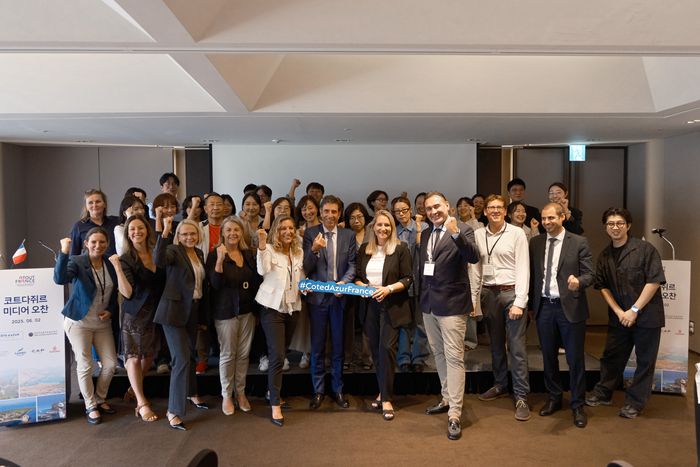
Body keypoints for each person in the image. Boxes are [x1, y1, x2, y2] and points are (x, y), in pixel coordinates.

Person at [585, 208, 666, 419]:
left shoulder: (645, 250)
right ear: (605, 227)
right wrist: (619, 311)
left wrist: (634, 310)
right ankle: (603, 393)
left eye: (619, 223)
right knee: (611, 357)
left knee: (645, 361)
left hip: (647, 316)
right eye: (610, 224)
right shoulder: (604, 256)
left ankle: (635, 402)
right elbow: (603, 286)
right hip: (619, 317)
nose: (615, 227)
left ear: (628, 226)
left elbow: (654, 281)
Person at [418, 192, 479, 441]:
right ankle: (446, 398)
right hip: (429, 305)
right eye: (429, 208)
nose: (433, 211)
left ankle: (455, 413)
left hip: (453, 305)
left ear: (447, 206)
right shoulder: (425, 233)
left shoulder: (463, 229)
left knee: (454, 358)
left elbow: (474, 256)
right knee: (439, 354)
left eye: (437, 206)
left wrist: (455, 234)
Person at [529, 203, 593, 428]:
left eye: (551, 218)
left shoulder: (579, 242)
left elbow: (590, 274)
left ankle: (578, 404)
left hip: (571, 308)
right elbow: (533, 276)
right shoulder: (536, 242)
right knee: (548, 357)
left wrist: (579, 281)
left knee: (575, 359)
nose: (547, 222)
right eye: (544, 219)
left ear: (562, 217)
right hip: (544, 307)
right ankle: (554, 398)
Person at [472, 195, 531, 421]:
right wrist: (475, 299)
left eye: (499, 207)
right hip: (488, 294)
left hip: (511, 293)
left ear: (505, 211)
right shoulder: (479, 234)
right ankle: (500, 384)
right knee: (495, 345)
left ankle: (521, 396)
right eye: (491, 208)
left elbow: (523, 268)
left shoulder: (517, 233)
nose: (495, 211)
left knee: (516, 347)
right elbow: (476, 269)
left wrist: (520, 301)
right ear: (485, 212)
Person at [54, 228, 118, 425]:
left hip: (102, 323)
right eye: (94, 242)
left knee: (110, 364)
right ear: (86, 244)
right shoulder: (77, 262)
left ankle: (99, 398)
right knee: (85, 364)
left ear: (107, 244)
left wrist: (111, 310)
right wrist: (64, 252)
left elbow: (116, 291)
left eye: (102, 242)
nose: (98, 246)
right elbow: (60, 279)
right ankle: (90, 405)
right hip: (79, 322)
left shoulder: (110, 263)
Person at [355, 210, 412, 421]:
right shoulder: (365, 249)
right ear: (373, 227)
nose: (383, 228)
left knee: (387, 349)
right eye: (379, 224)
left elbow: (408, 278)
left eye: (387, 225)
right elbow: (358, 277)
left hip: (392, 306)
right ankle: (383, 391)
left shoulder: (401, 248)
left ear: (392, 228)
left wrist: (388, 289)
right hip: (370, 306)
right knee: (376, 352)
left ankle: (386, 399)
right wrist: (363, 286)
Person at [154, 217, 209, 431]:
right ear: (178, 235)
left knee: (191, 355)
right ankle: (173, 410)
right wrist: (165, 232)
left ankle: (191, 393)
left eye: (192, 233)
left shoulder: (200, 253)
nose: (189, 237)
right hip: (173, 312)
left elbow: (200, 286)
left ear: (198, 235)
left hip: (193, 309)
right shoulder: (173, 251)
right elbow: (159, 260)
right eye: (184, 234)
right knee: (182, 359)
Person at [303, 195, 357, 410]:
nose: (330, 215)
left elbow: (352, 265)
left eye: (334, 211)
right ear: (320, 212)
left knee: (338, 347)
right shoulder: (310, 234)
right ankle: (318, 391)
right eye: (326, 211)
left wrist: (343, 283)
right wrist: (314, 249)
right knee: (317, 347)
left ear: (339, 213)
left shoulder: (348, 235)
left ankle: (337, 389)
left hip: (339, 298)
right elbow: (305, 267)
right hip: (317, 299)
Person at [110, 215, 163, 423]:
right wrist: (117, 268)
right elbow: (127, 293)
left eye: (140, 228)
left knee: (149, 355)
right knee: (133, 357)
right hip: (135, 315)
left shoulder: (157, 253)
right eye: (132, 229)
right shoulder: (125, 259)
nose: (136, 232)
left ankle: (133, 388)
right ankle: (141, 403)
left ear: (147, 230)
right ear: (127, 233)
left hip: (156, 312)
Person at [206, 216, 261, 416]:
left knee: (244, 354)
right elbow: (215, 284)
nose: (233, 233)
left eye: (236, 230)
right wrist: (220, 260)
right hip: (225, 312)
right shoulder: (214, 255)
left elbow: (255, 282)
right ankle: (226, 395)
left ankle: (241, 393)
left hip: (247, 311)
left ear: (241, 233)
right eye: (228, 230)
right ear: (222, 233)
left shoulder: (247, 254)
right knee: (228, 354)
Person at [255, 216, 305, 427]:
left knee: (282, 353)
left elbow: (300, 277)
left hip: (292, 308)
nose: (288, 232)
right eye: (283, 228)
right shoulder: (268, 249)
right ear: (276, 230)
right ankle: (275, 403)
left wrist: (306, 287)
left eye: (291, 228)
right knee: (276, 356)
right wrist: (261, 244)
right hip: (272, 308)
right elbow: (262, 270)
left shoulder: (298, 251)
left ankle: (271, 392)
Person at [391, 196, 429, 373]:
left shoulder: (424, 227)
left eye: (404, 210)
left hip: (422, 281)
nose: (401, 214)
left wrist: (419, 231)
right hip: (401, 283)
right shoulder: (393, 232)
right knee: (404, 322)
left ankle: (419, 357)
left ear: (410, 210)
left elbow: (427, 252)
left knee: (421, 322)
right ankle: (404, 358)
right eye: (397, 211)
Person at [343, 202, 373, 370]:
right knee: (348, 322)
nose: (356, 220)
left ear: (365, 217)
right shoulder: (344, 234)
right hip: (348, 284)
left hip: (367, 283)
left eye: (360, 217)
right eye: (352, 217)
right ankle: (347, 357)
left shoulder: (372, 233)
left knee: (367, 321)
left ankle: (367, 357)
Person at [69, 189, 120, 257]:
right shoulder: (78, 227)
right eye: (90, 202)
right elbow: (73, 256)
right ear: (86, 207)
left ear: (104, 204)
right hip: (89, 263)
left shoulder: (116, 222)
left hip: (115, 263)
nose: (94, 205)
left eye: (98, 201)